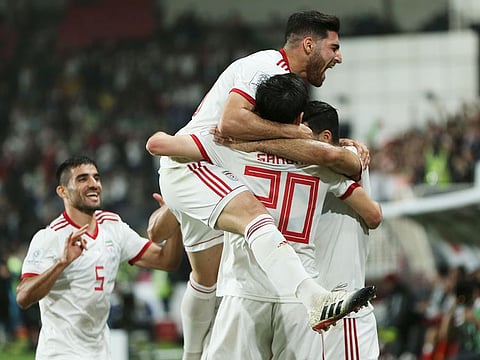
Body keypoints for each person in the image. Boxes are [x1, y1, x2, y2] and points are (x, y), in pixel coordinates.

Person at [147, 11, 372, 359]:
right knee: (254, 217)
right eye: (334, 47)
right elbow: (231, 121)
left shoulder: (262, 121)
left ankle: (191, 353)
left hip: (208, 168)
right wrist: (319, 143)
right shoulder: (267, 65)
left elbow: (181, 140)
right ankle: (313, 297)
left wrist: (328, 143)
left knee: (205, 280)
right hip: (195, 162)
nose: (338, 57)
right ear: (309, 44)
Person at [16, 156, 183, 360]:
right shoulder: (50, 237)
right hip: (60, 353)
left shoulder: (112, 226)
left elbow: (167, 261)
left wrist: (175, 218)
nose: (93, 184)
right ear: (62, 191)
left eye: (96, 177)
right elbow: (23, 296)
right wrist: (62, 263)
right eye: (82, 179)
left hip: (100, 352)